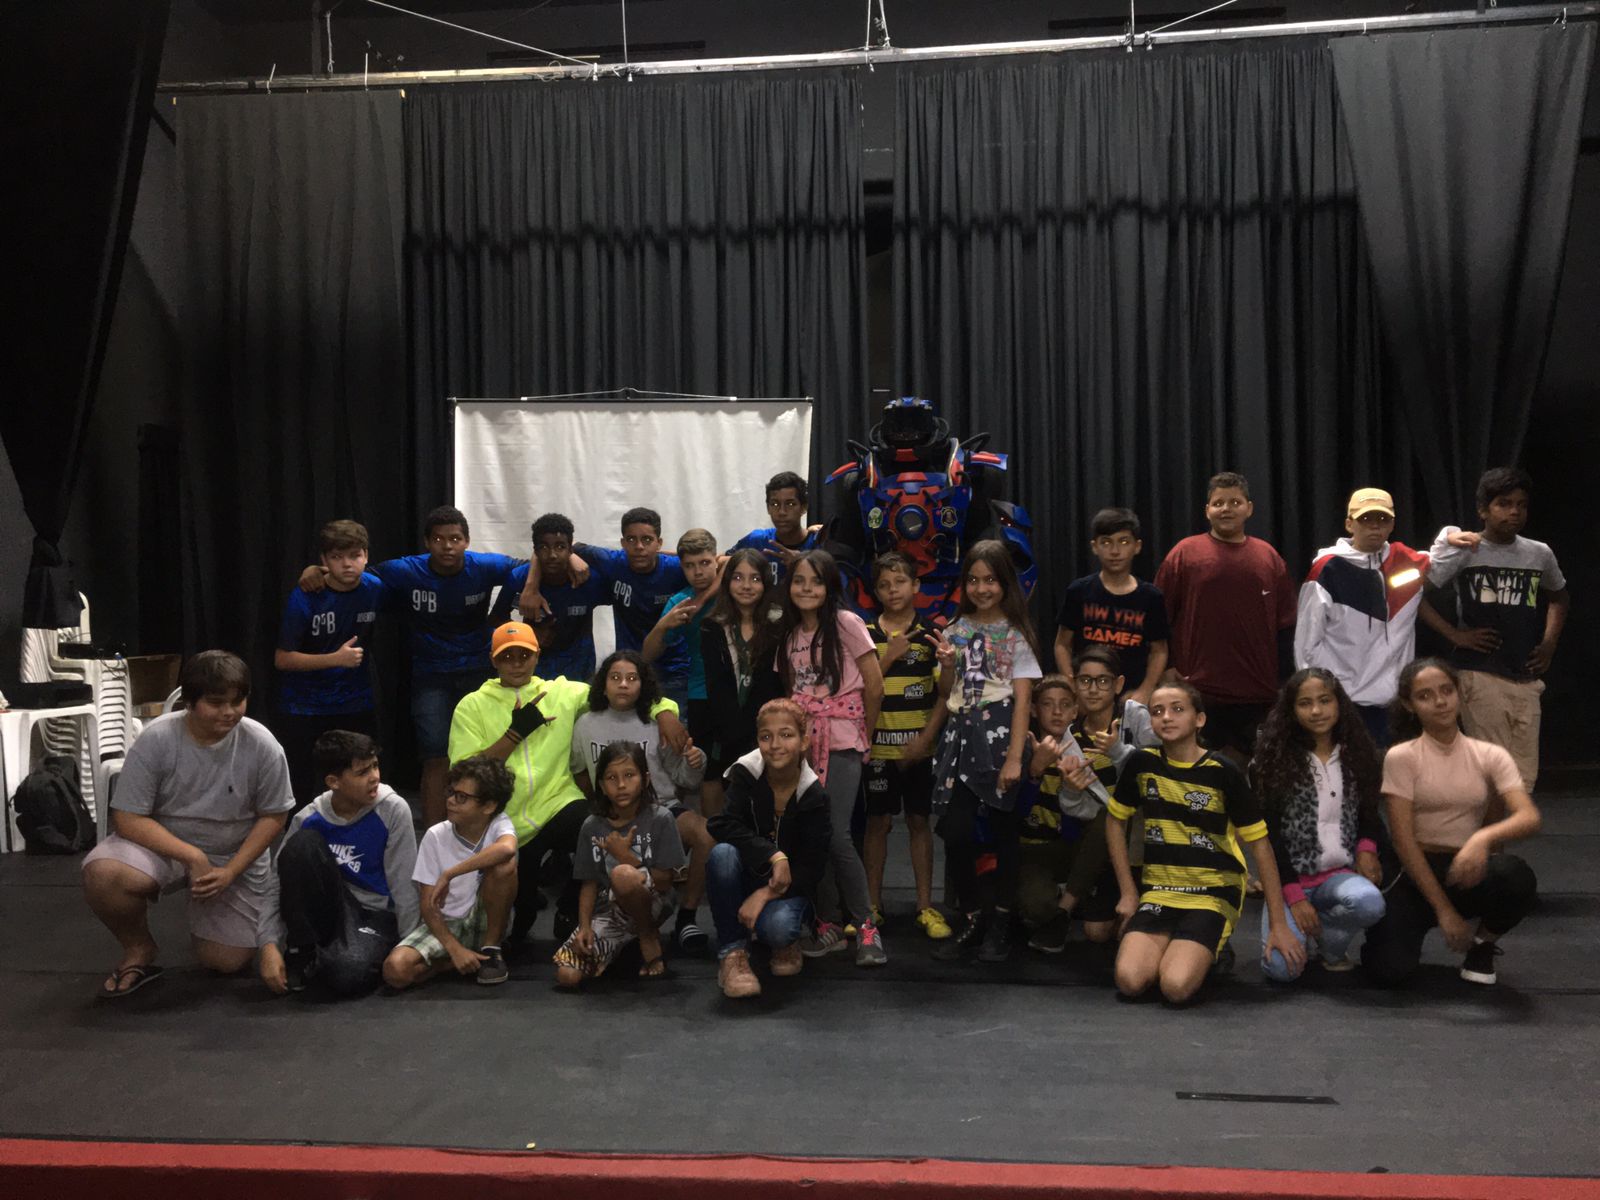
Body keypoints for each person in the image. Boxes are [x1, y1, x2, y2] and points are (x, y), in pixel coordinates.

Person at [447, 622, 684, 949]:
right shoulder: (472, 705)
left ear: (537, 655)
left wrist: (665, 710)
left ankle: (574, 907)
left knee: (598, 826)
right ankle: (522, 913)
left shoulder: (562, 692)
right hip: (507, 815)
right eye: (507, 657)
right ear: (493, 660)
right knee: (519, 920)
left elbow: (620, 693)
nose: (516, 663)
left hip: (558, 802)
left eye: (524, 655)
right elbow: (464, 774)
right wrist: (513, 735)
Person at [82, 651, 294, 998]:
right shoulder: (157, 738)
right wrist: (192, 856)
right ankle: (138, 948)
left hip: (230, 855)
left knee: (226, 962)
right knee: (103, 875)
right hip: (166, 846)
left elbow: (274, 816)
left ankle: (206, 912)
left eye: (237, 701)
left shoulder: (262, 745)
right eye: (216, 703)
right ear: (189, 702)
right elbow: (127, 817)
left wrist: (230, 872)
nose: (229, 711)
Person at [300, 505, 519, 826]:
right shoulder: (407, 570)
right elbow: (356, 576)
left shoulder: (484, 566)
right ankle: (432, 837)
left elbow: (525, 567)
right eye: (439, 539)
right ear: (427, 543)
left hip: (478, 673)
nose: (447, 546)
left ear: (467, 541)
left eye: (455, 539)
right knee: (435, 757)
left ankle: (485, 830)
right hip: (430, 676)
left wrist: (513, 603)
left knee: (485, 753)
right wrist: (314, 570)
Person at [1105, 681, 1303, 1003]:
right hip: (1160, 889)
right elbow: (1115, 821)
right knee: (1130, 981)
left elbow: (1261, 846)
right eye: (1157, 711)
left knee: (1175, 987)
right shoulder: (1142, 764)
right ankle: (1185, 948)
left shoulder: (1223, 771)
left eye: (1177, 709)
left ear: (1199, 719)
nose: (1166, 717)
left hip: (1212, 892)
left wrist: (1278, 924)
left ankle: (1212, 953)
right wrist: (1129, 892)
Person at [1361, 659, 1541, 987]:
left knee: (1516, 876)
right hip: (1415, 872)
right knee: (1388, 970)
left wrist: (1480, 840)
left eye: (1447, 691)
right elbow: (1403, 841)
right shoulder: (1402, 757)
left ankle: (1482, 946)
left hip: (1465, 868)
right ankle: (1411, 925)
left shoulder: (1490, 754)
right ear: (1409, 705)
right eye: (1425, 696)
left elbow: (1528, 817)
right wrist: (1444, 911)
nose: (1440, 701)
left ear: (1459, 694)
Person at [1419, 467, 1571, 791]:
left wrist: (1549, 644)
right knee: (1493, 771)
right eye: (1504, 504)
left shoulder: (1538, 553)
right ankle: (1491, 827)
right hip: (1480, 671)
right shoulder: (1467, 550)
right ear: (1483, 510)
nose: (1514, 512)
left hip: (1525, 672)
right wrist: (1455, 635)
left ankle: (1503, 826)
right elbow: (1416, 594)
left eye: (1521, 505)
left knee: (1523, 778)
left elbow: (1559, 596)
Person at [928, 540, 1044, 964]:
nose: (981, 588)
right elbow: (947, 692)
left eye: (990, 580)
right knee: (956, 831)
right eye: (974, 580)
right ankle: (974, 917)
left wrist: (1015, 758)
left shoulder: (1016, 635)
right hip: (960, 738)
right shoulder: (955, 630)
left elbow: (1023, 700)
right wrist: (946, 665)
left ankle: (1001, 923)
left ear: (1005, 584)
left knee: (1003, 833)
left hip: (1000, 738)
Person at [775, 549, 888, 966]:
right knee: (812, 834)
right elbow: (792, 693)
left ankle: (867, 926)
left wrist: (864, 736)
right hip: (804, 745)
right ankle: (829, 924)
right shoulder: (790, 635)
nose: (807, 589)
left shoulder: (846, 623)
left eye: (816, 581)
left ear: (829, 587)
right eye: (799, 580)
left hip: (842, 742)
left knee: (838, 833)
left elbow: (874, 685)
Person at [1295, 488, 1475, 748]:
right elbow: (1306, 646)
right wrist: (1320, 697)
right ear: (1349, 524)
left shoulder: (1405, 562)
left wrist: (1449, 535)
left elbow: (1446, 559)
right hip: (1344, 704)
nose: (1375, 526)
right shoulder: (1327, 571)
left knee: (1393, 771)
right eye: (1365, 519)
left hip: (1394, 704)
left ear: (1392, 524)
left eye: (1382, 519)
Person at [571, 650, 715, 954]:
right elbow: (580, 771)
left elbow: (685, 778)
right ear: (603, 685)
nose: (623, 684)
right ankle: (605, 921)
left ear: (643, 685)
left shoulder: (657, 722)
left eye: (632, 678)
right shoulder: (585, 723)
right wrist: (598, 803)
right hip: (611, 812)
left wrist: (695, 760)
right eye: (615, 677)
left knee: (706, 833)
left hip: (660, 808)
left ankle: (687, 918)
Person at [1249, 669, 1387, 980]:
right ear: (1291, 710)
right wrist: (1295, 898)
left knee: (1369, 903)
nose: (1316, 711)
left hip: (1338, 876)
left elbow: (1369, 810)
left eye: (1325, 700)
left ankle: (1329, 942)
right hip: (1288, 881)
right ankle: (1302, 927)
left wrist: (1367, 848)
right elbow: (1270, 837)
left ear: (1339, 704)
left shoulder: (1359, 753)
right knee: (1282, 970)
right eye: (1305, 703)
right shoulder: (1271, 761)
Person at [258, 730, 418, 997]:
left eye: (375, 766)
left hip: (375, 914)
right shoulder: (308, 818)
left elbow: (404, 883)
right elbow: (277, 883)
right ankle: (302, 948)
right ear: (334, 782)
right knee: (301, 846)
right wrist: (268, 944)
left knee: (346, 974)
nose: (375, 777)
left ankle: (336, 956)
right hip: (331, 909)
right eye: (362, 772)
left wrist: (408, 946)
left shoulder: (392, 810)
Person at [1155, 472, 1296, 763]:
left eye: (1235, 502)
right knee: (1196, 773)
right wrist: (1167, 667)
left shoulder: (1268, 557)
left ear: (1249, 508)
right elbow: (1158, 617)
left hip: (1257, 694)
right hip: (1198, 691)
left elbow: (1285, 625)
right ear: (1207, 510)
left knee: (1256, 777)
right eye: (1218, 503)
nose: (1226, 509)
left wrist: (1283, 681)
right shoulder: (1184, 554)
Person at [706, 699, 833, 999]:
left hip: (789, 889)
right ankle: (732, 953)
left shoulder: (814, 795)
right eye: (766, 736)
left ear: (804, 741)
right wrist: (773, 855)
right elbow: (721, 823)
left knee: (778, 928)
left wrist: (765, 894)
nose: (775, 745)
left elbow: (812, 869)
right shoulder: (745, 773)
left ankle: (784, 940)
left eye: (786, 735)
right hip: (749, 874)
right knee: (722, 854)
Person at [860, 551, 949, 938]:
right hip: (877, 749)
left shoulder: (931, 633)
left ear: (916, 586)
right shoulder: (864, 633)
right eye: (883, 585)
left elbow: (945, 695)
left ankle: (925, 906)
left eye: (899, 582)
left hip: (920, 752)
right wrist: (888, 658)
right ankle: (871, 906)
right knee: (877, 824)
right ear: (875, 591)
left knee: (918, 822)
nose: (892, 590)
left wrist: (926, 738)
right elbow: (859, 691)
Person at [554, 742, 689, 986]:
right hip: (609, 911)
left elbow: (664, 881)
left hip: (653, 901)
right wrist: (584, 927)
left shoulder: (661, 818)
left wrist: (623, 855)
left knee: (623, 875)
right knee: (567, 976)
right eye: (611, 778)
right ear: (602, 786)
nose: (621, 785)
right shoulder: (592, 826)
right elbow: (589, 883)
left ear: (645, 779)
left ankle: (646, 935)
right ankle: (625, 946)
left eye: (629, 775)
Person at [521, 507, 690, 700]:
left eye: (647, 540)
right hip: (630, 670)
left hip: (675, 671)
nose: (639, 547)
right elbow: (550, 543)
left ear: (659, 543)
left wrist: (684, 560)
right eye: (631, 539)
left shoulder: (675, 569)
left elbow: (711, 562)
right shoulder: (612, 562)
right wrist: (532, 585)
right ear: (622, 543)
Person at [273, 519, 384, 809]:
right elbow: (282, 658)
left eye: (355, 555)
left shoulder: (375, 588)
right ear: (323, 560)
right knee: (303, 787)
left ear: (366, 556)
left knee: (360, 780)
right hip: (305, 706)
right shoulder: (306, 596)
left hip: (355, 702)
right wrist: (335, 659)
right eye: (337, 557)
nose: (347, 564)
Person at [382, 755, 519, 990]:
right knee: (395, 970)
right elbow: (428, 905)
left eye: (462, 797)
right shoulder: (435, 835)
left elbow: (507, 849)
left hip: (486, 920)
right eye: (451, 792)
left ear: (489, 806)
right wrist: (454, 949)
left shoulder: (499, 824)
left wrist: (449, 874)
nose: (451, 801)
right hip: (447, 924)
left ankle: (491, 949)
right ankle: (452, 962)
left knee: (504, 865)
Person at [697, 547, 785, 819]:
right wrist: (732, 731)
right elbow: (716, 685)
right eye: (738, 578)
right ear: (727, 582)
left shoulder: (779, 624)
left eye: (755, 578)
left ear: (766, 583)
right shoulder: (712, 625)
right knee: (728, 801)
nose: (746, 586)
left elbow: (774, 683)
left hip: (766, 727)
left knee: (764, 803)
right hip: (725, 727)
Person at [1053, 508, 1169, 708]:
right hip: (1088, 694)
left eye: (1124, 542)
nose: (1115, 551)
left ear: (1137, 546)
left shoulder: (1151, 597)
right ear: (1094, 547)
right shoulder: (1079, 591)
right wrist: (1072, 685)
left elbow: (1159, 651)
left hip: (1131, 695)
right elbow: (1062, 644)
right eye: (1106, 542)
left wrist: (1145, 690)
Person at [487, 512, 606, 683]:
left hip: (580, 673)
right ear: (535, 551)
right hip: (535, 674)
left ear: (570, 550)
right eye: (544, 547)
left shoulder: (587, 580)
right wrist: (527, 634)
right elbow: (495, 619)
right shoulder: (519, 578)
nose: (552, 555)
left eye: (560, 547)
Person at [642, 528, 721, 708]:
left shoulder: (735, 590)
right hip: (699, 692)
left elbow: (741, 559)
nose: (698, 571)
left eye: (705, 563)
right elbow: (647, 655)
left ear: (716, 561)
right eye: (689, 565)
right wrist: (663, 626)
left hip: (741, 690)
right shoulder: (680, 602)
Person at [732, 470, 824, 590]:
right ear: (768, 508)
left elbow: (834, 588)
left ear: (804, 507)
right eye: (775, 504)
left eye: (790, 504)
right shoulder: (757, 540)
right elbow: (721, 561)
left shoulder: (819, 543)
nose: (782, 512)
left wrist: (801, 564)